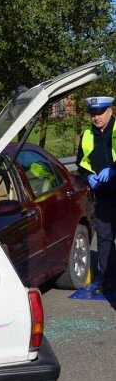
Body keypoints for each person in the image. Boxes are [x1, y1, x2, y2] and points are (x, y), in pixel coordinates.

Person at [77, 95, 116, 294]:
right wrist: (88, 177)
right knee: (104, 239)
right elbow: (81, 164)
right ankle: (108, 282)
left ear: (111, 111)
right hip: (104, 197)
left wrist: (114, 169)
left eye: (100, 112)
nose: (96, 116)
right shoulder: (87, 135)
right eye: (93, 113)